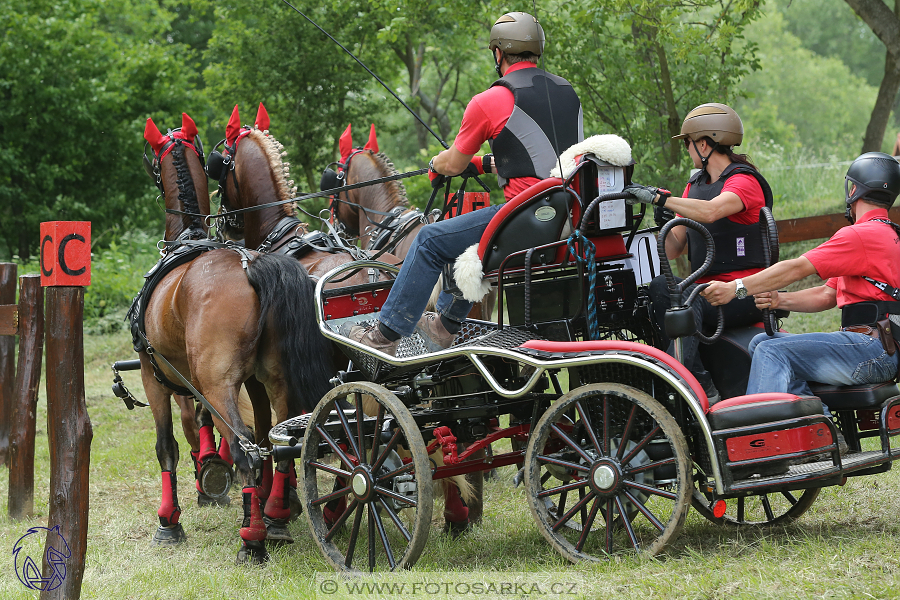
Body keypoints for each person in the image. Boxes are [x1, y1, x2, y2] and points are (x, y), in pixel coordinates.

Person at [344, 11, 583, 355]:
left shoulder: (490, 101)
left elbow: (452, 162)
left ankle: (384, 336)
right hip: (571, 212)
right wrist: (485, 163)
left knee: (429, 239)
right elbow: (540, 156)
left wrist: (437, 163)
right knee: (457, 233)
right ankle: (444, 325)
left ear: (498, 53)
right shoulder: (567, 92)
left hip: (525, 219)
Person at [701, 152, 900, 398]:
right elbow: (827, 294)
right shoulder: (889, 234)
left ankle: (761, 426)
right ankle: (821, 429)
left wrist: (735, 288)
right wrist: (779, 300)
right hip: (880, 349)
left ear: (853, 191)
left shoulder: (860, 235)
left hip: (869, 350)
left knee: (771, 352)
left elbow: (796, 268)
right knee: (760, 342)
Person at [624, 103, 774, 404]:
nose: (687, 150)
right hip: (708, 292)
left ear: (703, 144)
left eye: (688, 144)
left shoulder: (744, 181)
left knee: (678, 294)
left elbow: (712, 211)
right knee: (658, 289)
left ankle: (685, 383)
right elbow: (675, 245)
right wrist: (660, 222)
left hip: (743, 292)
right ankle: (699, 381)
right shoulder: (694, 186)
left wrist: (662, 198)